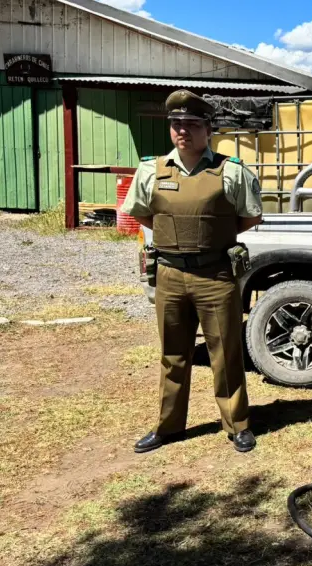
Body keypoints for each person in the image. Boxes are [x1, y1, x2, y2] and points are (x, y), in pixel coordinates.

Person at [121, 89, 264, 453]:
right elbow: (140, 211)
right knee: (173, 354)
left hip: (215, 276)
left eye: (191, 124)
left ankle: (238, 425)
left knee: (225, 353)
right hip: (169, 273)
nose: (182, 131)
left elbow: (250, 215)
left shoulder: (230, 171)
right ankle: (168, 427)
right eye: (176, 124)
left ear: (208, 129)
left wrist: (212, 237)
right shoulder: (151, 171)